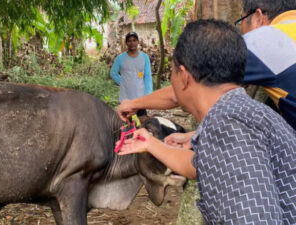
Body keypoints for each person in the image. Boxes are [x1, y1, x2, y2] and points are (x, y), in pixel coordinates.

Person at [118, 19, 296, 224]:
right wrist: (151, 144)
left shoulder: (228, 127)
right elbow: (203, 165)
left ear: (184, 76)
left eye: (172, 72)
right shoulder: (248, 113)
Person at [117, 0, 296, 130]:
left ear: (257, 16)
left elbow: (188, 88)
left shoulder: (264, 41)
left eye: (241, 21)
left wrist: (134, 103)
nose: (242, 31)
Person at [110, 32, 153, 117]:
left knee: (142, 122)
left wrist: (148, 94)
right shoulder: (120, 58)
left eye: (134, 40)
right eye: (129, 41)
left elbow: (147, 76)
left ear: (138, 42)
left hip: (140, 99)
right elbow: (113, 73)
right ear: (126, 43)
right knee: (127, 124)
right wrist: (123, 82)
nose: (132, 43)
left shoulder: (144, 57)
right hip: (126, 99)